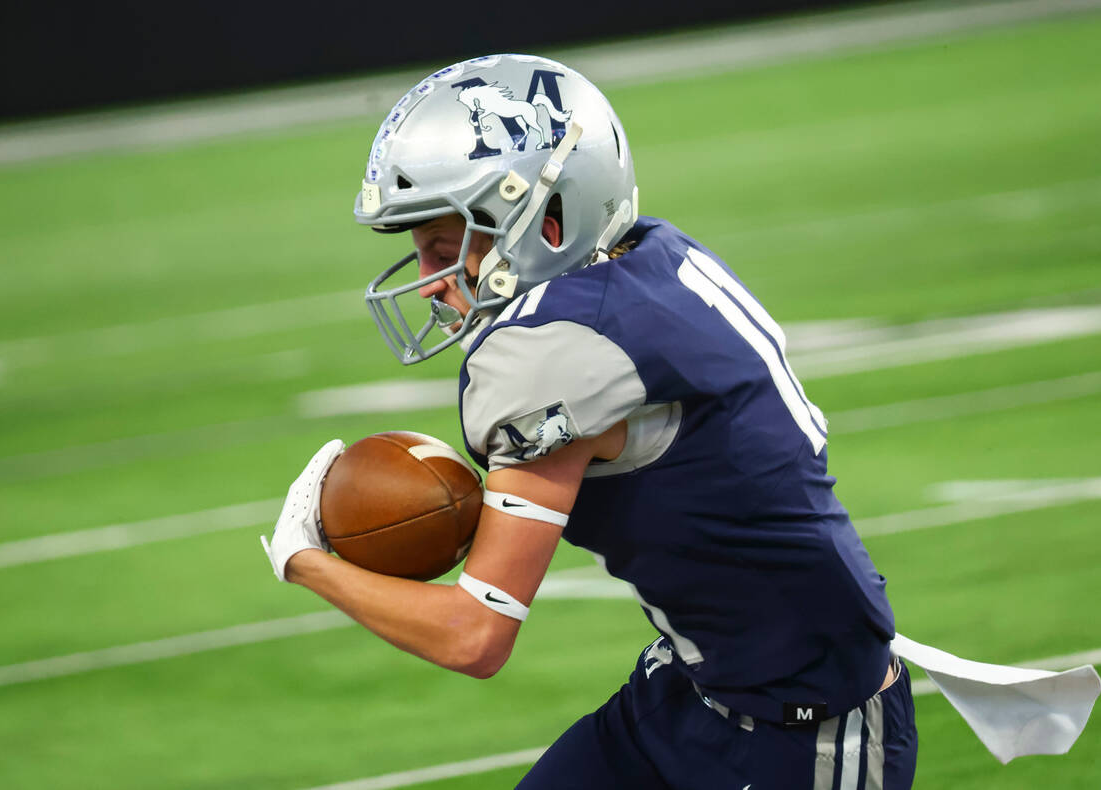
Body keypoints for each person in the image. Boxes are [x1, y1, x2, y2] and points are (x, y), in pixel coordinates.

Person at [262, 54, 917, 789]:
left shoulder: (555, 357)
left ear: (548, 221)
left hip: (803, 734)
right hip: (696, 690)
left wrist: (303, 559)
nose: (429, 284)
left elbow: (474, 637)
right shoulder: (651, 258)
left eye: (446, 249)